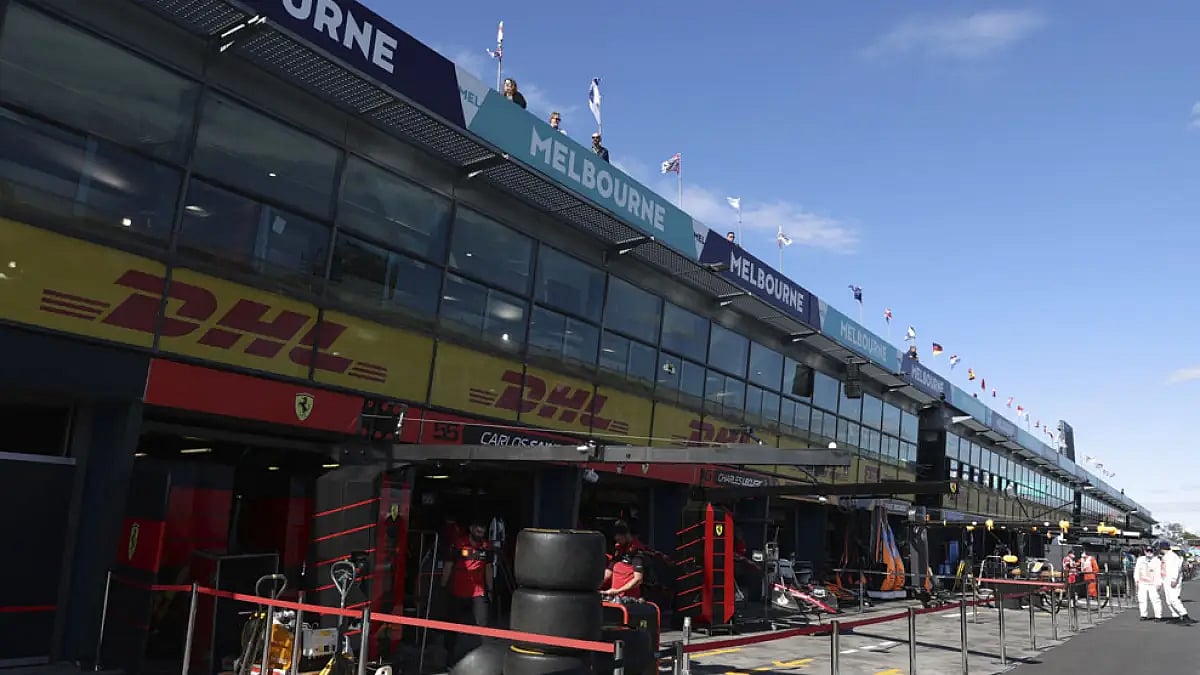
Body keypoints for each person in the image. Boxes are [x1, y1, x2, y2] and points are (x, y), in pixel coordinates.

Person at [441, 519, 493, 660]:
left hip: (478, 592)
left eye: (483, 528)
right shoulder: (459, 544)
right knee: (452, 627)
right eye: (477, 528)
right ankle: (449, 657)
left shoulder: (487, 546)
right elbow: (448, 565)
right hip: (457, 592)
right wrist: (443, 586)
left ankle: (483, 659)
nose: (480, 531)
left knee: (482, 628)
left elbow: (488, 568)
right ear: (471, 528)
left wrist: (491, 589)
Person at [601, 522, 644, 599]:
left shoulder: (636, 551)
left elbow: (638, 580)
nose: (616, 540)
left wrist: (618, 591)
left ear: (626, 535)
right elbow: (609, 571)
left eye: (618, 538)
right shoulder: (619, 548)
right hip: (614, 597)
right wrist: (595, 585)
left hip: (628, 599)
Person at [1159, 540, 1195, 624]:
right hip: (1166, 580)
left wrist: (1173, 580)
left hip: (1172, 580)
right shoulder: (1166, 556)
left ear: (1162, 548)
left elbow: (1175, 569)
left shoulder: (1172, 557)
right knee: (1168, 600)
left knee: (1174, 599)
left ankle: (1185, 615)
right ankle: (1176, 616)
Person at [1135, 545, 1163, 621]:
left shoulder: (1157, 560)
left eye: (1151, 551)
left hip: (1153, 583)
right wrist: (1136, 580)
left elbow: (1158, 573)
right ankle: (1143, 615)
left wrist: (1159, 583)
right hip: (1142, 583)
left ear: (1153, 551)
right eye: (1147, 551)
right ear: (1145, 552)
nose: (1149, 552)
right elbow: (1137, 570)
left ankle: (1158, 616)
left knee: (1155, 600)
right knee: (1142, 599)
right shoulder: (1140, 559)